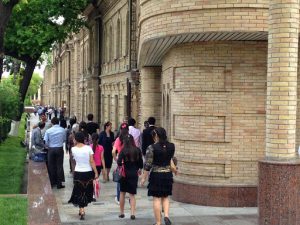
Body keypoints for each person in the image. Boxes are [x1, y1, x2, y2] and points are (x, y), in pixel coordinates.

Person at [141, 127, 177, 225]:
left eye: (153, 136)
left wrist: (143, 178)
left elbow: (147, 165)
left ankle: (158, 222)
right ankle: (166, 215)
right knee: (165, 197)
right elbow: (171, 159)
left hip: (156, 175)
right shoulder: (171, 146)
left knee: (156, 198)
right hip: (168, 175)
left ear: (156, 135)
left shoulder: (151, 148)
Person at [68, 132, 99, 220]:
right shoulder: (88, 148)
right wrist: (96, 172)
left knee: (79, 191)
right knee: (86, 191)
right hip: (88, 172)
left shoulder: (73, 149)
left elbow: (73, 161)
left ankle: (81, 209)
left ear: (76, 139)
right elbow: (92, 161)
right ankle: (82, 209)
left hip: (78, 172)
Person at [117, 135, 143, 220]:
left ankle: (121, 213)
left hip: (124, 174)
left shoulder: (123, 150)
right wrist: (138, 169)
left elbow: (119, 162)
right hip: (133, 174)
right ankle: (132, 213)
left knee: (122, 193)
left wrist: (122, 165)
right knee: (132, 194)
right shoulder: (137, 150)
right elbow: (141, 164)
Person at [112, 123, 135, 204]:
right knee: (130, 182)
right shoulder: (130, 138)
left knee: (120, 182)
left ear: (120, 130)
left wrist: (116, 159)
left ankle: (119, 198)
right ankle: (130, 198)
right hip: (130, 163)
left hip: (121, 163)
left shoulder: (118, 139)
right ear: (128, 130)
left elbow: (113, 151)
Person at [44, 117, 66, 189]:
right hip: (59, 149)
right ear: (58, 122)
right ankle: (59, 184)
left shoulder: (48, 131)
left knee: (51, 166)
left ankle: (52, 182)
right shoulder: (63, 130)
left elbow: (45, 141)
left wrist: (49, 146)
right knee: (59, 166)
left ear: (52, 123)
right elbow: (64, 140)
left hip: (51, 149)